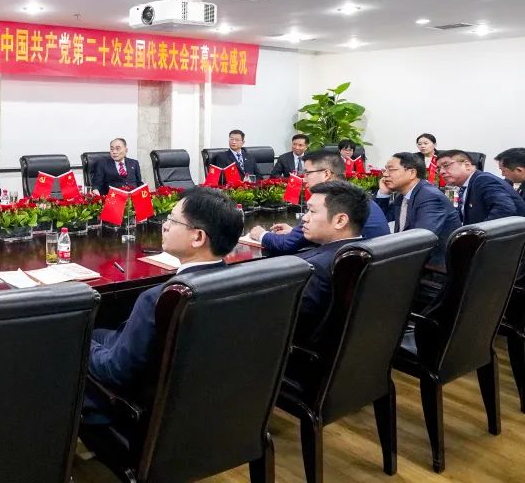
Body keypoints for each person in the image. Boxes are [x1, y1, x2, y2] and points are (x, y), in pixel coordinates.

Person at [86, 187, 240, 392]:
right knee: (97, 333)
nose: (164, 226)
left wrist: (77, 343)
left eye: (172, 220)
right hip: (204, 392)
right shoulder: (239, 284)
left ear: (198, 237)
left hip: (136, 401)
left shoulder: (159, 299)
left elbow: (115, 370)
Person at [248, 149, 390, 254]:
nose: (304, 179)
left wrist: (261, 234)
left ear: (326, 174)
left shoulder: (332, 200)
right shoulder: (352, 194)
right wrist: (294, 231)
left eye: (308, 173)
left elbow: (286, 245)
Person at [293, 181, 369, 345]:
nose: (304, 218)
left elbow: (294, 324)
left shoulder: (315, 268)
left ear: (340, 220)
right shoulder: (370, 252)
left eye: (312, 211)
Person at [376, 152, 459, 269]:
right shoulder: (402, 197)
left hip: (434, 269)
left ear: (412, 173)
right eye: (385, 170)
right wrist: (383, 194)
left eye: (391, 170)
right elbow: (381, 221)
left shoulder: (430, 197)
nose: (385, 174)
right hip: (411, 262)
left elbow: (420, 239)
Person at [436, 149, 525, 224]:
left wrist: (477, 235)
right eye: (439, 168)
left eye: (446, 165)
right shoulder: (466, 185)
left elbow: (505, 210)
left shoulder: (483, 180)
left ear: (467, 165)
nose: (441, 172)